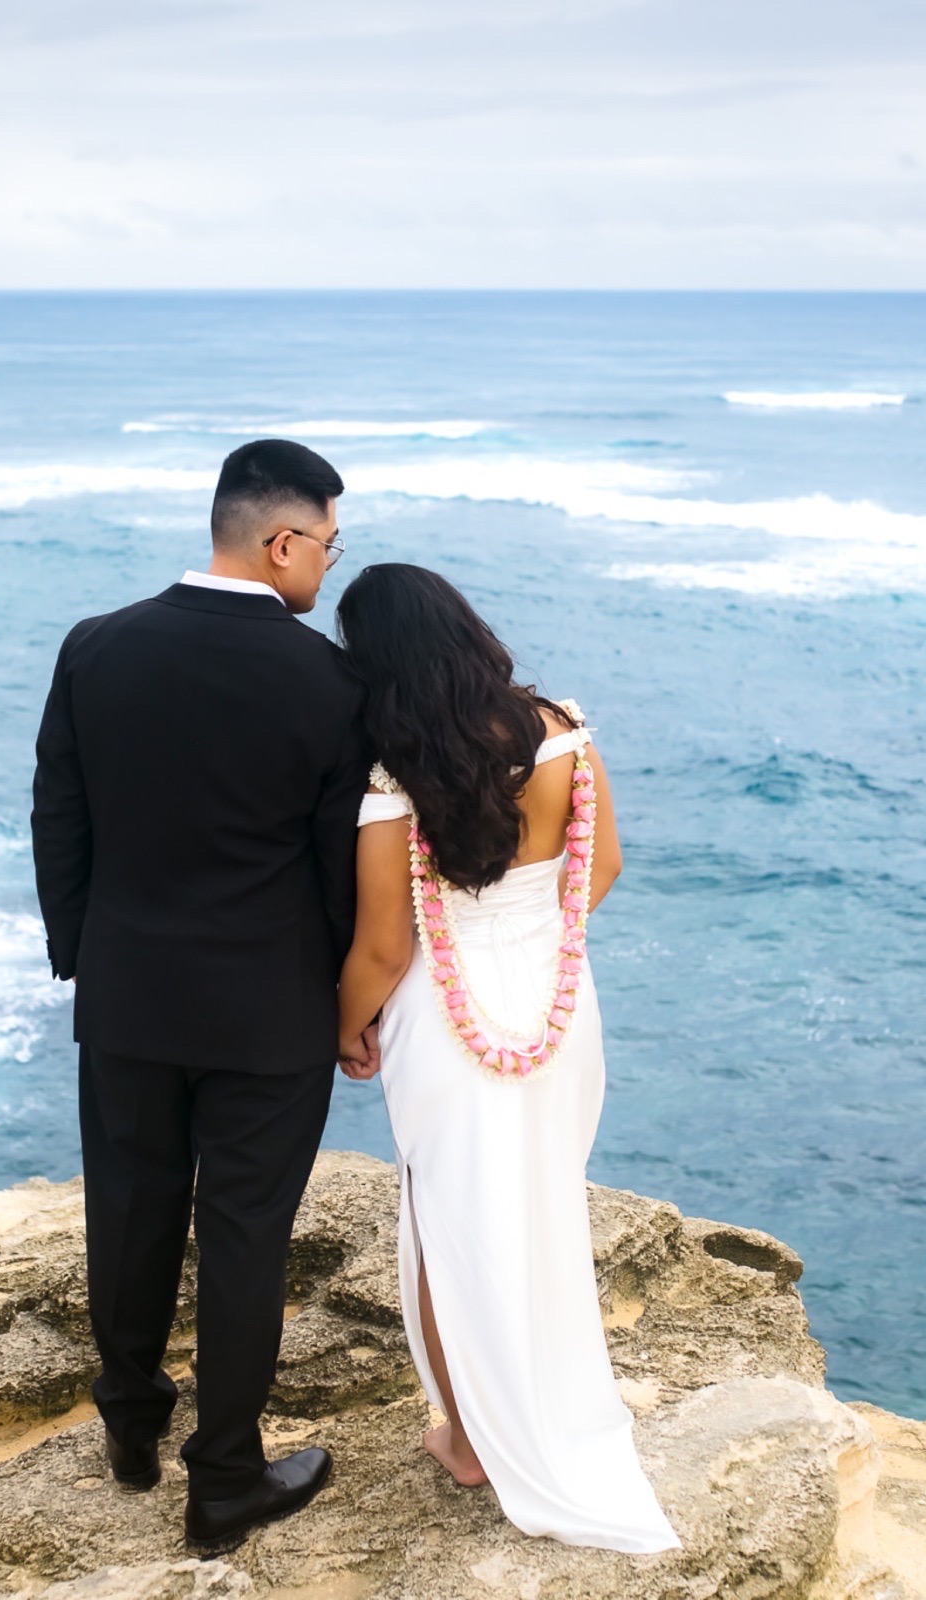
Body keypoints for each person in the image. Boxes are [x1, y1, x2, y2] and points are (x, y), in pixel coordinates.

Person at [30, 439, 371, 1554]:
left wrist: (85, 952)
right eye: (327, 541)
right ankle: (222, 1477)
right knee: (243, 1235)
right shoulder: (329, 681)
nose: (327, 564)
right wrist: (335, 993)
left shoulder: (96, 647)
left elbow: (60, 815)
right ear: (282, 541)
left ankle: (131, 1424)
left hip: (128, 989)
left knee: (127, 1207)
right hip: (267, 1009)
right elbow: (338, 864)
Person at [331, 562, 680, 1553]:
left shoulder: (397, 780)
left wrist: (344, 1026)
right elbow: (600, 865)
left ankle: (474, 1438)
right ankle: (543, 1400)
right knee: (539, 1206)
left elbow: (385, 948)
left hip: (451, 1018)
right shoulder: (563, 729)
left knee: (454, 1222)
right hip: (557, 1008)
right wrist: (540, 944)